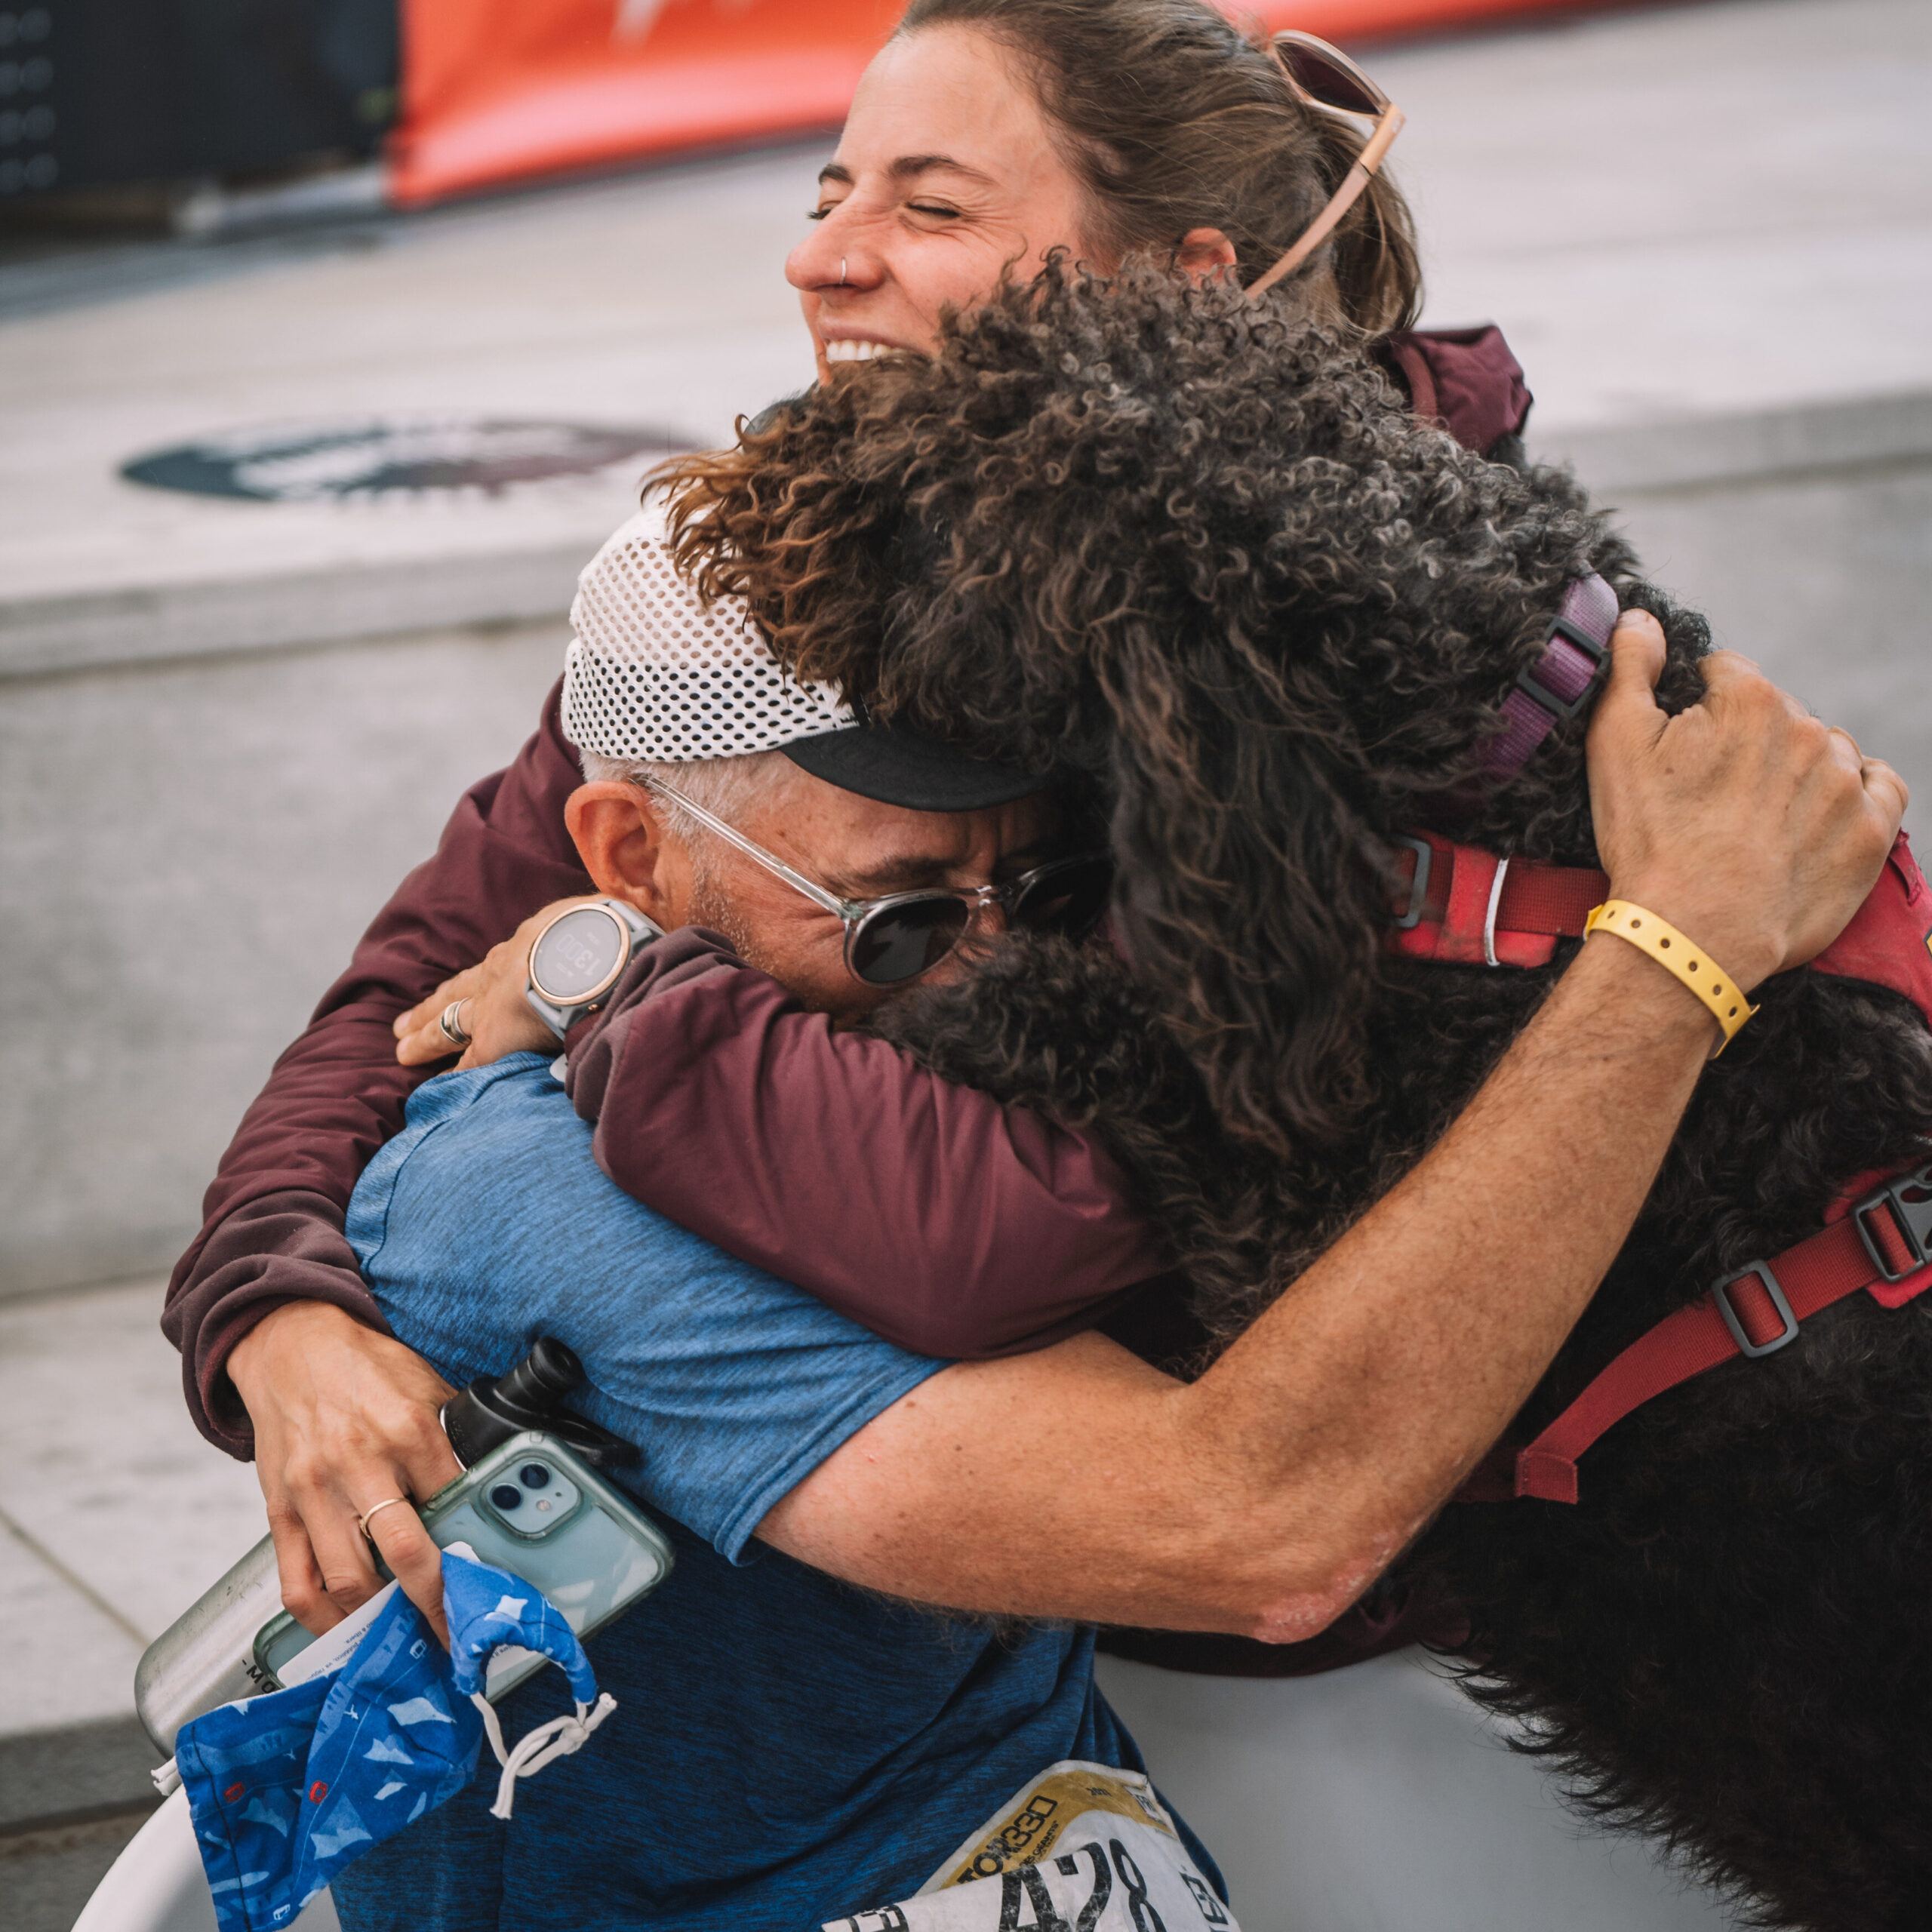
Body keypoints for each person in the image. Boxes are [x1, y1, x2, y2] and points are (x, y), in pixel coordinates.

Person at [158, 0, 1845, 1663]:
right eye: (829, 192)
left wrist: (605, 983)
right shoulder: (829, 548)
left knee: (500, 1175)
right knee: (468, 1165)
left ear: (1182, 286)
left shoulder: (1341, 633)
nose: (824, 258)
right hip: (1048, 1524)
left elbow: (1035, 1214)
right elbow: (400, 999)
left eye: (929, 204)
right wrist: (279, 1309)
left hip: (1446, 1585)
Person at [328, 502, 1893, 1930]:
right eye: (906, 913)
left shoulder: (883, 1089)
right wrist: (1678, 946)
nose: (995, 978)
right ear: (629, 855)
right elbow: (1255, 1526)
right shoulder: (539, 1193)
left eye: (1052, 889)